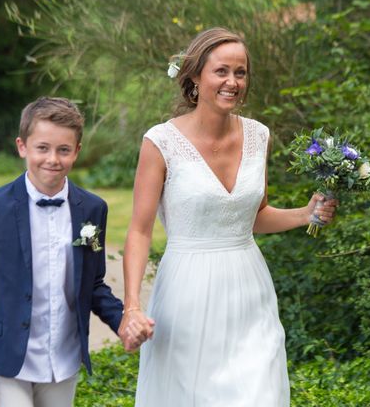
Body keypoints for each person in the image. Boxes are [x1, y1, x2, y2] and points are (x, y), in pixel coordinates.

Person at [122, 27, 338, 406]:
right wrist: (132, 307)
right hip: (186, 292)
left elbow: (253, 216)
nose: (232, 82)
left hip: (249, 290)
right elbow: (139, 232)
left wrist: (306, 214)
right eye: (221, 71)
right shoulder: (160, 142)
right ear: (194, 76)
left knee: (260, 394)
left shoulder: (259, 136)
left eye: (241, 73)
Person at [0, 97, 140, 407]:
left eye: (63, 150)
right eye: (42, 148)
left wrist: (123, 322)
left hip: (63, 360)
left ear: (77, 152)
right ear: (22, 146)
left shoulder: (93, 209)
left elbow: (93, 284)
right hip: (6, 362)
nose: (52, 159)